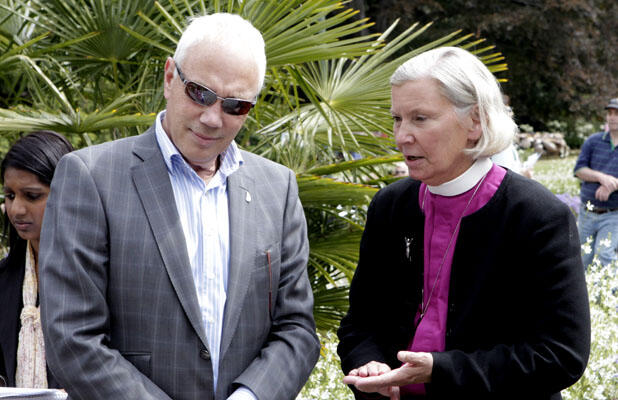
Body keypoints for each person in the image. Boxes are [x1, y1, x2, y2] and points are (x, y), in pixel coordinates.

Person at [39, 13, 319, 400]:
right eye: (200, 93)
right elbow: (72, 337)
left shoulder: (278, 187)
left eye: (235, 106)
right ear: (170, 77)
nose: (211, 118)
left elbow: (297, 330)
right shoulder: (91, 177)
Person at [337, 47, 590, 399]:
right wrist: (369, 363)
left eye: (420, 119)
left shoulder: (537, 216)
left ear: (475, 122)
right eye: (397, 119)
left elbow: (561, 354)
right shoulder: (390, 206)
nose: (401, 136)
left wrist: (440, 371)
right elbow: (360, 323)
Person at [0, 131, 73, 388]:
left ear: (67, 192)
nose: (17, 209)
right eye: (10, 196)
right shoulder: (4, 280)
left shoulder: (101, 276)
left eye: (32, 196)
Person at [574, 97, 618, 268]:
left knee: (604, 256)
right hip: (588, 212)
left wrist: (612, 185)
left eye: (616, 113)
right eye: (610, 113)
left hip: (613, 214)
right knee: (581, 259)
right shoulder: (593, 141)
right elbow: (579, 170)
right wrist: (602, 178)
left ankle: (607, 294)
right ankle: (584, 295)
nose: (612, 117)